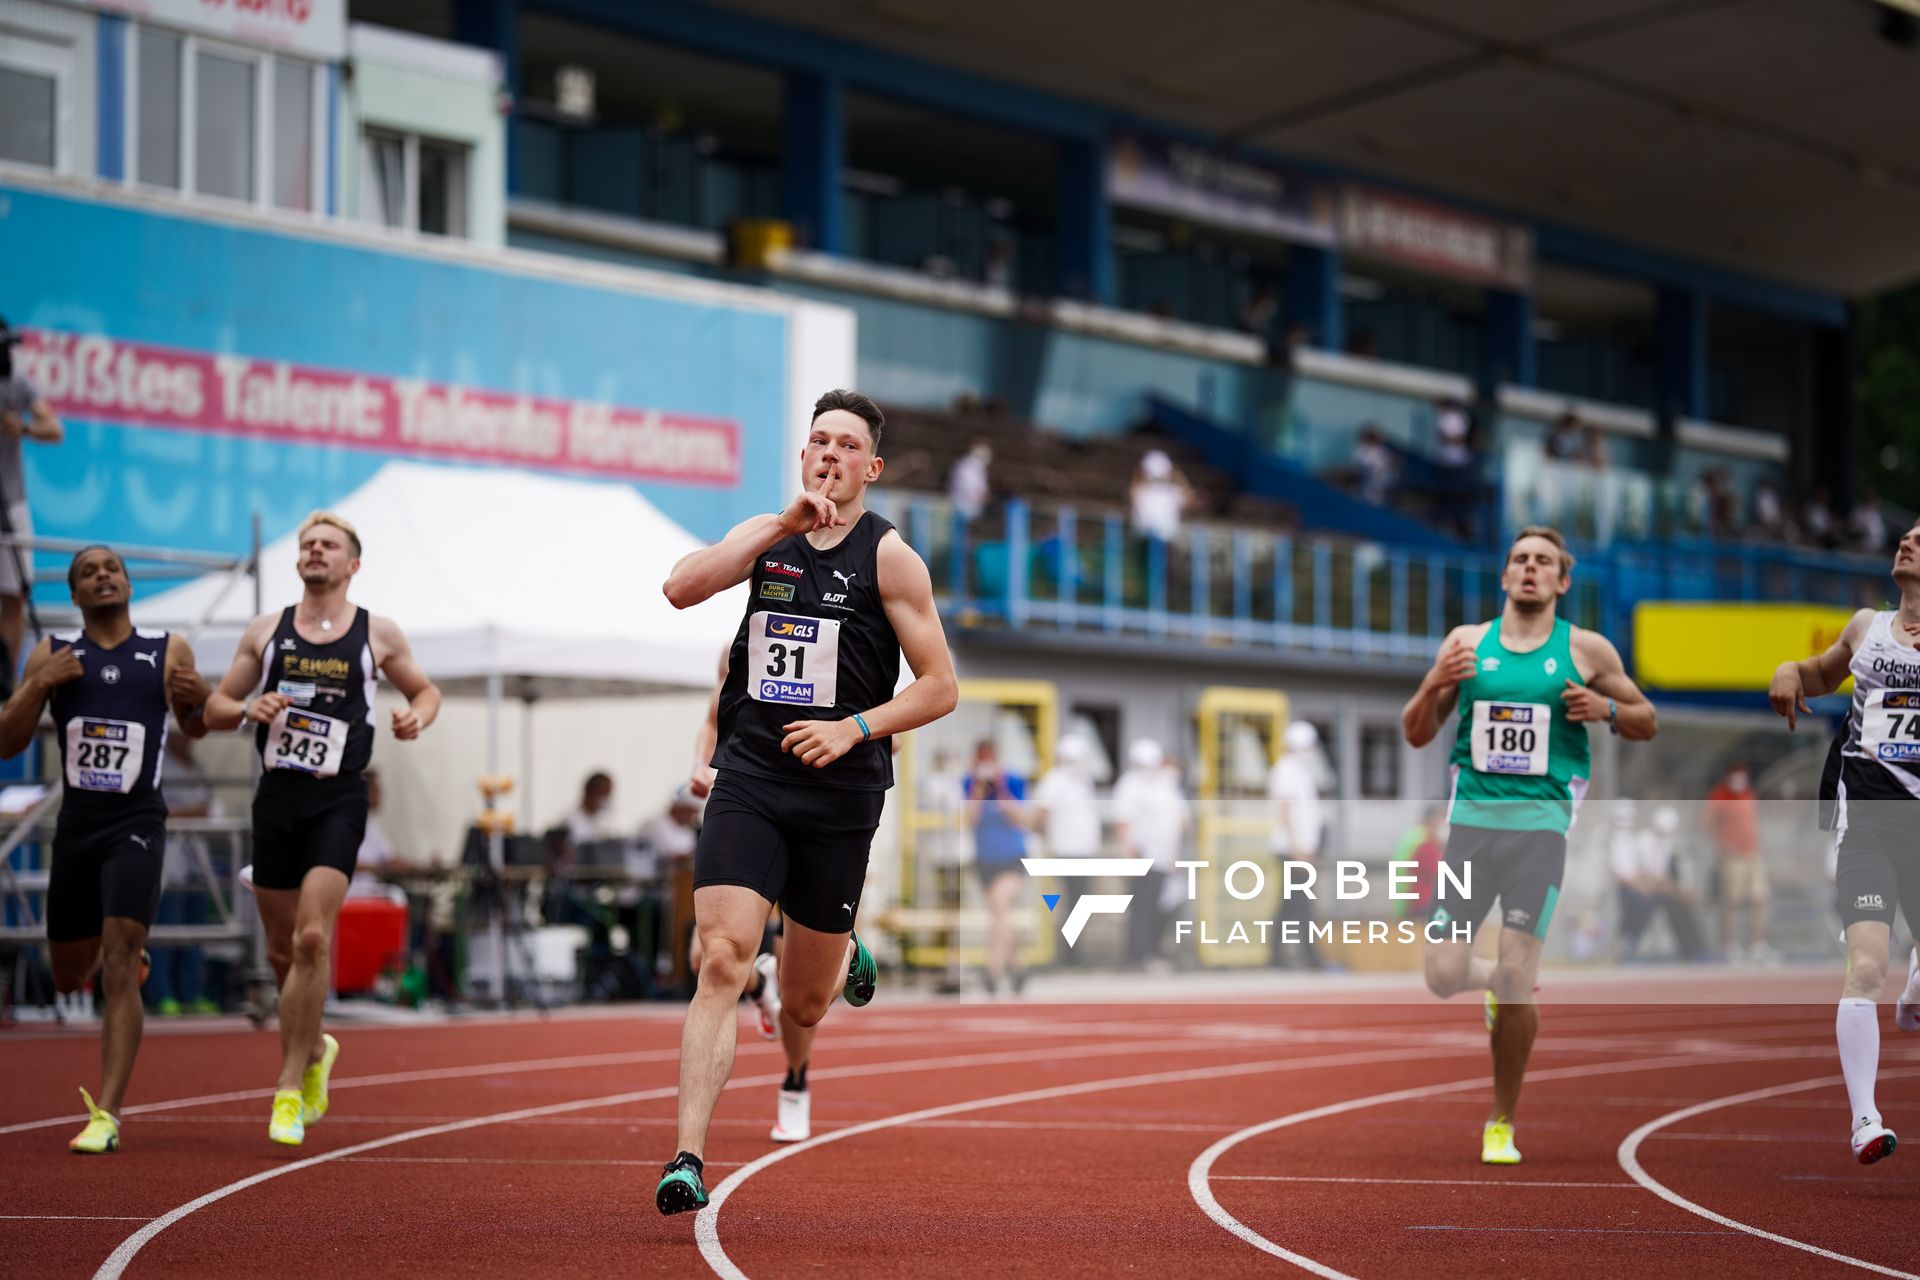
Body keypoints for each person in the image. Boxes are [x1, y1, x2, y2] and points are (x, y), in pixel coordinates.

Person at [655, 388, 958, 1214]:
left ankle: (843, 947)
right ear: (804, 457)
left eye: (846, 445)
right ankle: (687, 1158)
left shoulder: (890, 558)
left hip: (840, 792)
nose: (830, 455)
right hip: (751, 777)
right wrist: (782, 525)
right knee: (720, 958)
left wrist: (853, 728)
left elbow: (940, 687)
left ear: (871, 466)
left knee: (806, 1000)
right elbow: (680, 589)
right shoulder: (769, 535)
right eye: (818, 441)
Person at [1401, 524, 1657, 1166]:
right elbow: (1414, 734)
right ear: (1505, 575)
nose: (1531, 569)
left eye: (1544, 561)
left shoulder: (1588, 650)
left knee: (1519, 974)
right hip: (1471, 831)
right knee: (1441, 976)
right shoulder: (1464, 645)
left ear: (1563, 581)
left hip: (1540, 830)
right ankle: (1493, 986)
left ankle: (1500, 1121)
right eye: (1519, 559)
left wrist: (1606, 713)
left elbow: (1648, 720)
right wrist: (1434, 679)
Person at [205, 510, 440, 1147]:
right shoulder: (267, 630)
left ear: (351, 564)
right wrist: (245, 707)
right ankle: (314, 1052)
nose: (315, 550)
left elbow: (426, 692)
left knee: (312, 939)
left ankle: (286, 1088)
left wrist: (415, 718)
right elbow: (213, 706)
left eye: (328, 544)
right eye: (308, 543)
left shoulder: (376, 633)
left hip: (339, 797)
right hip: (275, 797)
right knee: (282, 953)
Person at [0, 545, 210, 1152]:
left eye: (111, 569)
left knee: (119, 954)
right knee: (69, 974)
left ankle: (108, 1114)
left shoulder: (167, 650)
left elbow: (194, 725)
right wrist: (38, 683)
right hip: (78, 825)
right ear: (74, 594)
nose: (102, 577)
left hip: (137, 820)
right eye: (88, 572)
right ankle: (122, 959)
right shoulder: (53, 654)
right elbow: (8, 742)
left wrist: (197, 698)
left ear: (127, 583)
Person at [1767, 517, 1920, 1165]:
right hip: (1868, 827)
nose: (1907, 541)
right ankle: (1864, 1119)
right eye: (1906, 534)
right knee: (1864, 966)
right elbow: (1820, 673)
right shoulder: (1866, 626)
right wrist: (1788, 671)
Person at [0, 316, 64, 688]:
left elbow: (53, 428)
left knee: (13, 596)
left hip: (10, 502)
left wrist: (21, 427)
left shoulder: (16, 385)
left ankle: (6, 683)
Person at [151, 733, 216, 1015]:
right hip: (169, 863)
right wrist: (193, 813)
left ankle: (190, 993)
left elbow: (207, 808)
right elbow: (157, 811)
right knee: (168, 930)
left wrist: (196, 813)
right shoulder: (159, 764)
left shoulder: (193, 764)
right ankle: (162, 993)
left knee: (194, 933)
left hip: (195, 861)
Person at [1112, 738, 1189, 969]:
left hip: (1165, 857)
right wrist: (1130, 854)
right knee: (1142, 907)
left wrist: (1176, 853)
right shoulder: (1130, 785)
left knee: (1161, 907)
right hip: (1143, 855)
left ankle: (1152, 951)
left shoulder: (1165, 786)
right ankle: (1140, 955)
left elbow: (1179, 821)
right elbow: (1123, 821)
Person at [966, 739, 1030, 995]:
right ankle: (1018, 967)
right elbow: (970, 819)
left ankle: (992, 970)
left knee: (999, 906)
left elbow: (1018, 817)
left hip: (1012, 857)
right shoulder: (971, 783)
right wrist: (980, 788)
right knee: (1000, 915)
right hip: (985, 860)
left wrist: (1001, 786)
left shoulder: (1013, 780)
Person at [1609, 804, 1708, 962]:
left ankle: (1692, 948)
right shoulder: (1642, 841)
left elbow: (1661, 876)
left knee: (1681, 905)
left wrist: (1678, 891)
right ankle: (1628, 944)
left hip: (1656, 889)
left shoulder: (1665, 843)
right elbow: (1641, 874)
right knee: (1643, 903)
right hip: (1641, 890)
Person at [1268, 720, 1328, 970]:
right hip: (1293, 850)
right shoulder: (1286, 770)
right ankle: (1310, 959)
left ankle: (1276, 957)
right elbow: (1286, 811)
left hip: (1303, 849)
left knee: (1291, 904)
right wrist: (1296, 850)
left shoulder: (1301, 771)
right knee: (1301, 905)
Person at [1705, 762, 1772, 962]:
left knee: (1759, 899)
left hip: (1752, 853)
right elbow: (1706, 823)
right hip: (1733, 857)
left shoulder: (1748, 795)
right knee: (1732, 901)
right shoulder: (1720, 796)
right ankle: (1730, 945)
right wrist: (1724, 845)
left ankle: (1757, 945)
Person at [948, 441, 992, 524]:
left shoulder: (976, 467)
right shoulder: (970, 466)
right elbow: (971, 489)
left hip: (965, 504)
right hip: (963, 506)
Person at [568, 771, 616, 846]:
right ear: (591, 792)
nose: (607, 799)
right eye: (605, 793)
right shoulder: (571, 823)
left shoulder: (598, 823)